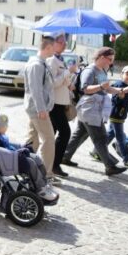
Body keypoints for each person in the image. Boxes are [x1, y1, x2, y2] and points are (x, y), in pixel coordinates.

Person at [60, 47, 127, 176]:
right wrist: (101, 86)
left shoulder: (101, 70)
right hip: (90, 108)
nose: (111, 62)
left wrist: (119, 91)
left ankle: (65, 156)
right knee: (101, 137)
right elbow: (85, 89)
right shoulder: (90, 71)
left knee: (80, 134)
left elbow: (105, 89)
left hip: (92, 108)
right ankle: (110, 166)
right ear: (101, 57)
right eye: (110, 59)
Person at [0, 113, 58, 202]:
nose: (7, 127)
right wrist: (18, 152)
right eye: (6, 126)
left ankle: (43, 183)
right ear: (0, 127)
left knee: (36, 157)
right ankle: (40, 189)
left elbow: (7, 146)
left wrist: (21, 147)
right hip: (6, 161)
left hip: (9, 156)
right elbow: (1, 151)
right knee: (31, 163)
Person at [23, 36, 57, 184]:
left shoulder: (42, 63)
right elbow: (35, 89)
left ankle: (24, 167)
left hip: (37, 108)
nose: (55, 50)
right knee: (49, 140)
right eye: (53, 47)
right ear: (48, 47)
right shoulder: (36, 65)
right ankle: (45, 175)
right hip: (38, 109)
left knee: (32, 140)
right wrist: (42, 109)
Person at [46, 34, 76, 178]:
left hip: (61, 102)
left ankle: (49, 163)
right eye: (61, 42)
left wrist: (70, 83)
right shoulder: (51, 60)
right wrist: (67, 72)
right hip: (55, 104)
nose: (64, 45)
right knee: (64, 133)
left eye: (65, 42)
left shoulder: (60, 59)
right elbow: (52, 83)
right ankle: (54, 164)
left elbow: (62, 81)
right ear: (54, 43)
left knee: (52, 134)